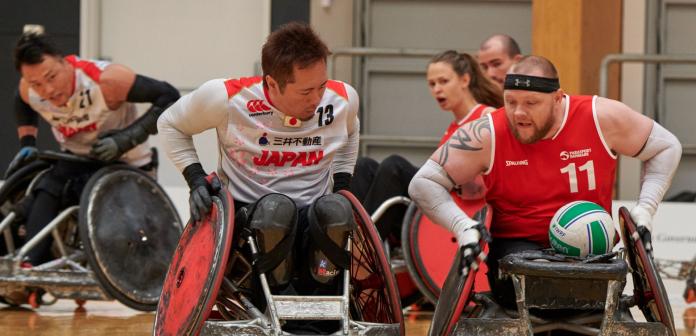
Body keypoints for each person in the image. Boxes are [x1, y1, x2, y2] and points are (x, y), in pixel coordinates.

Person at [409, 55, 681, 308]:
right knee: (535, 278)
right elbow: (424, 183)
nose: (518, 113)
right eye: (511, 101)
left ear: (558, 99)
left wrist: (646, 209)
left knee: (591, 283)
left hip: (591, 249)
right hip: (519, 249)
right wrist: (464, 226)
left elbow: (666, 147)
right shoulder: (488, 132)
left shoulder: (600, 117)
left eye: (531, 103)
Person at [158, 22, 359, 307]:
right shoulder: (225, 98)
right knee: (276, 210)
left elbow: (351, 132)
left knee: (337, 209)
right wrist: (195, 178)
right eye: (305, 92)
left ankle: (322, 296)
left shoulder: (343, 99)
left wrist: (342, 183)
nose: (316, 99)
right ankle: (275, 299)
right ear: (272, 84)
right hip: (249, 217)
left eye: (322, 86)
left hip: (311, 213)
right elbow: (169, 124)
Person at [10, 32, 180, 266]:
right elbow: (21, 103)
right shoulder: (28, 89)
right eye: (37, 84)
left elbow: (169, 96)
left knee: (131, 225)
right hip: (79, 159)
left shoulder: (106, 80)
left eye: (51, 77)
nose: (47, 90)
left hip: (126, 161)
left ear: (64, 62)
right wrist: (27, 142)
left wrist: (126, 139)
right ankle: (28, 266)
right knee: (46, 187)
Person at [352, 51, 502, 242]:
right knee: (364, 166)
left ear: (465, 80)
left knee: (394, 166)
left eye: (443, 81)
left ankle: (365, 245)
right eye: (432, 84)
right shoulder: (453, 127)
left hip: (459, 211)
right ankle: (353, 239)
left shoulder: (487, 116)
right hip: (434, 206)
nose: (437, 89)